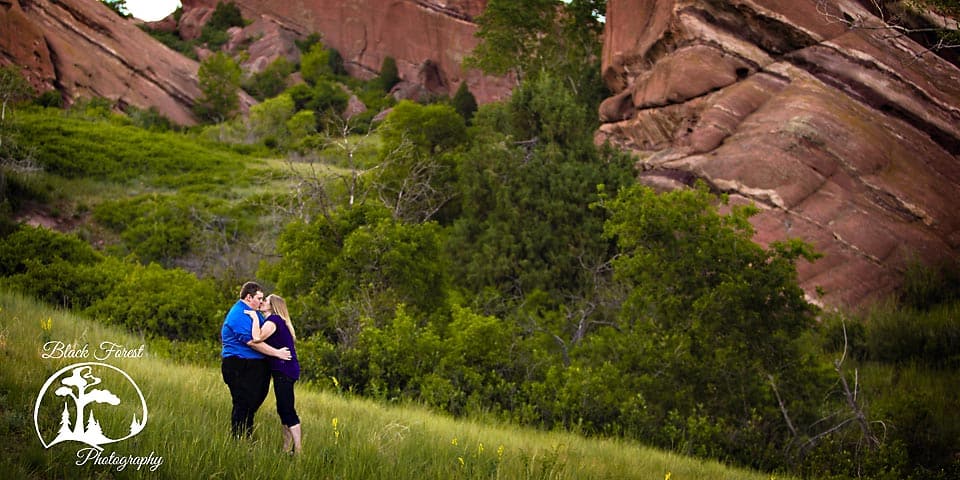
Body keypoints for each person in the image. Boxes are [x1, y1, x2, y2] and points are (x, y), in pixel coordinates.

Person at [220, 281, 291, 439]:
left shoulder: (254, 312)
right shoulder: (239, 314)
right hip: (239, 364)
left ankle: (246, 436)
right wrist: (277, 353)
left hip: (255, 366)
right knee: (242, 403)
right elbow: (253, 342)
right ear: (248, 297)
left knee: (251, 403)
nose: (261, 301)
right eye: (259, 298)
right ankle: (238, 438)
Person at [248, 294, 302, 454]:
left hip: (285, 369)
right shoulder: (277, 321)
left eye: (266, 301)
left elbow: (257, 337)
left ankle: (298, 450)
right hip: (285, 370)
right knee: (283, 408)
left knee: (287, 409)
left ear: (273, 306)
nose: (262, 302)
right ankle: (286, 448)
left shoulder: (274, 320)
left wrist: (254, 318)